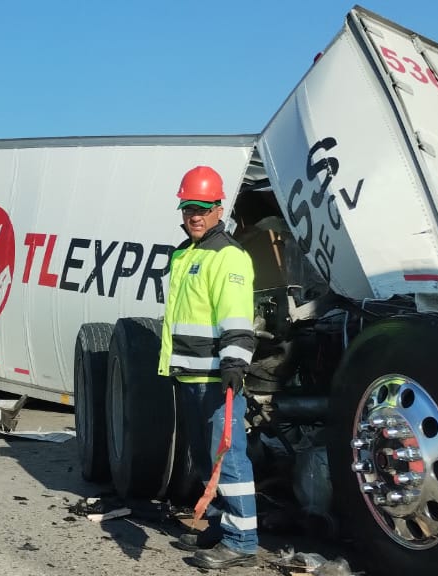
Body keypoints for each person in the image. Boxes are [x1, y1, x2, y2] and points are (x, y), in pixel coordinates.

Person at [158, 165, 260, 569]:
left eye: (202, 208)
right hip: (189, 375)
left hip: (218, 379)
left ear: (220, 209)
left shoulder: (228, 256)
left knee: (228, 458)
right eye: (187, 208)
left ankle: (242, 542)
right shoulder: (186, 254)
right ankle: (220, 525)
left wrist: (235, 363)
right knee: (204, 458)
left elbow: (236, 317)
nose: (194, 215)